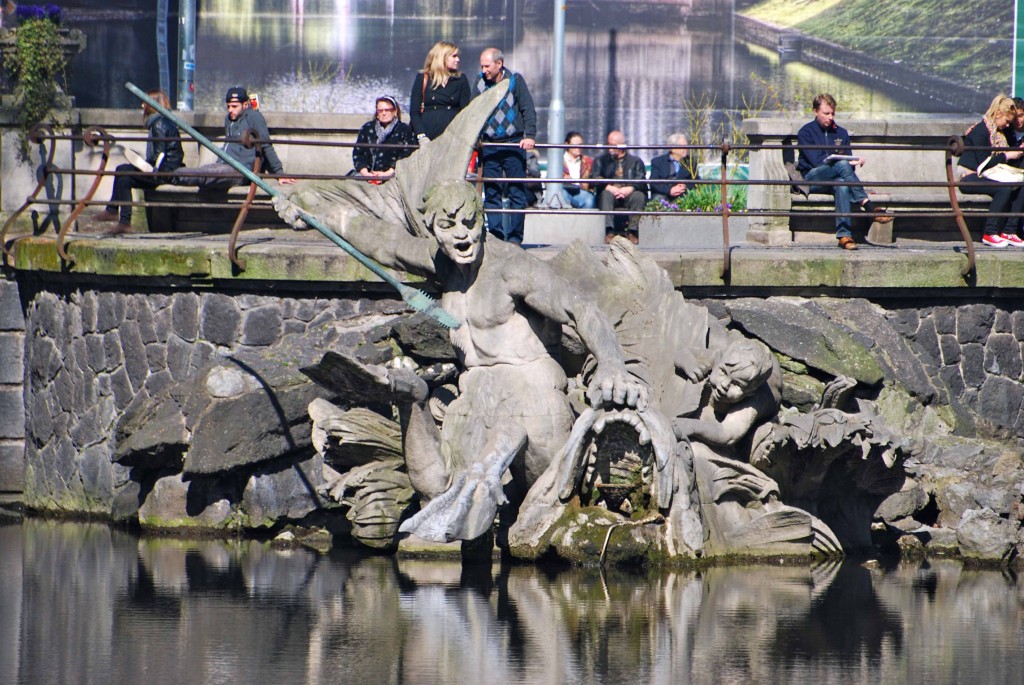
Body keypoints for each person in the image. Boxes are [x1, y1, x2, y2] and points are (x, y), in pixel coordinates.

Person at [275, 179, 647, 541]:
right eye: (448, 226)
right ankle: (418, 403)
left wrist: (612, 364)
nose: (462, 235)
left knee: (534, 500)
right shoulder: (443, 264)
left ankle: (494, 478)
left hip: (532, 397)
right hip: (475, 401)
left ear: (483, 220)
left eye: (469, 222)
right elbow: (381, 241)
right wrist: (309, 206)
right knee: (437, 488)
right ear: (434, 230)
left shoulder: (512, 268)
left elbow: (580, 308)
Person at [797, 93, 892, 250]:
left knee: (842, 184)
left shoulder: (841, 133)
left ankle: (844, 236)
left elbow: (849, 167)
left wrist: (852, 162)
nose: (830, 117)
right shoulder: (806, 132)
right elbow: (815, 162)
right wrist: (842, 161)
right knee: (841, 164)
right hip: (812, 177)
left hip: (836, 177)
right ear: (815, 111)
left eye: (833, 113)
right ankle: (868, 206)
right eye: (826, 113)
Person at [93, 89, 184, 232]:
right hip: (164, 169)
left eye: (145, 102)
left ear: (152, 105)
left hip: (163, 172)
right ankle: (116, 215)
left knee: (123, 176)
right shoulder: (162, 121)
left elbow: (159, 156)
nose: (142, 106)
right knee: (121, 172)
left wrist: (149, 169)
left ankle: (119, 218)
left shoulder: (159, 124)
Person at [474, 47, 538, 245]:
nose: (484, 70)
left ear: (499, 64)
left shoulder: (515, 81)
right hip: (489, 144)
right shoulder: (479, 82)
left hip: (513, 143)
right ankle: (496, 236)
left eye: (487, 66)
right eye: (482, 66)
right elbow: (472, 111)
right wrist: (476, 139)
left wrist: (530, 136)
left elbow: (528, 108)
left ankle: (515, 239)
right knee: (491, 191)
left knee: (516, 192)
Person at [174, 86, 294, 189]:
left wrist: (279, 173)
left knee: (204, 175)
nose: (230, 110)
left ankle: (170, 176)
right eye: (228, 106)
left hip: (240, 169)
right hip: (223, 164)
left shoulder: (253, 117)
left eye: (234, 106)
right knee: (204, 170)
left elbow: (266, 144)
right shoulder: (229, 119)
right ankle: (168, 175)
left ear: (245, 105)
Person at [957, 94, 1024, 248]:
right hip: (969, 177)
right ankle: (990, 233)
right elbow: (983, 163)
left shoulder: (1000, 134)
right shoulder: (981, 130)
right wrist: (1007, 155)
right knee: (1004, 190)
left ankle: (1009, 231)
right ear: (998, 114)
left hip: (987, 175)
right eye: (1007, 121)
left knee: (1021, 185)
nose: (1008, 125)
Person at [592, 130, 647, 244]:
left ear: (621, 145)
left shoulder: (635, 161)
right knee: (605, 195)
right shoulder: (601, 160)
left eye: (613, 145)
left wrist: (629, 189)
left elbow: (641, 179)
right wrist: (610, 187)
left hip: (628, 192)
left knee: (639, 196)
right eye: (608, 144)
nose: (609, 148)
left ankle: (632, 231)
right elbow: (595, 177)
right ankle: (609, 231)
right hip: (611, 191)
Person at [409, 41, 472, 142]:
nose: (458, 60)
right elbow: (414, 112)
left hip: (452, 137)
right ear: (442, 57)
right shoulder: (423, 78)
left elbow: (465, 112)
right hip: (427, 136)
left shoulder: (461, 79)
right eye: (454, 56)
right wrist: (421, 136)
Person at [351, 95, 417, 182]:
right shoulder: (367, 128)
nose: (384, 113)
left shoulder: (404, 130)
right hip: (367, 175)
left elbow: (407, 156)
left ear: (395, 111)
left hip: (393, 176)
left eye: (387, 110)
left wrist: (387, 173)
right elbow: (358, 153)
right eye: (380, 110)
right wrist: (366, 174)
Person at [648, 133, 697, 203]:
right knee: (658, 199)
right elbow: (654, 183)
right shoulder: (658, 162)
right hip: (663, 194)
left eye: (687, 145)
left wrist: (684, 187)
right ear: (672, 148)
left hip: (683, 194)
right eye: (683, 146)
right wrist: (670, 190)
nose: (686, 149)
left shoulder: (691, 162)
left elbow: (696, 181)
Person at [558, 131, 595, 209]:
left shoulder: (588, 161)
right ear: (567, 144)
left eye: (580, 145)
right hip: (564, 189)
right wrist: (563, 179)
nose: (578, 148)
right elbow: (548, 179)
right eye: (575, 145)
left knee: (589, 200)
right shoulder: (558, 161)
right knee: (562, 196)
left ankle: (584, 221)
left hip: (581, 191)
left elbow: (593, 178)